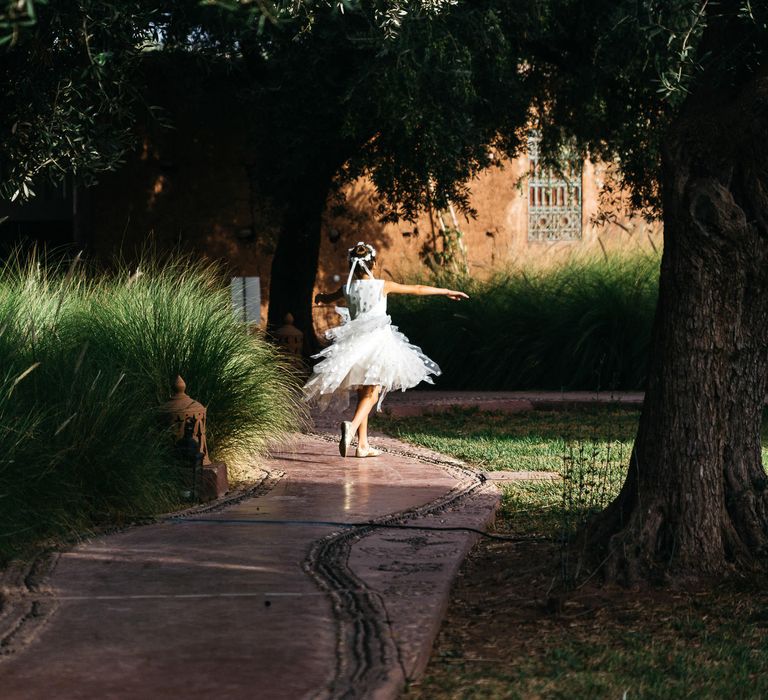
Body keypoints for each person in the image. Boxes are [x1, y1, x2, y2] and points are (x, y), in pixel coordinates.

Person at [304, 241, 468, 458]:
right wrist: (447, 291)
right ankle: (351, 428)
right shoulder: (382, 285)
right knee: (373, 393)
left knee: (365, 393)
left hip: (354, 346)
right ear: (374, 263)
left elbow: (329, 297)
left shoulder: (348, 288)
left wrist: (320, 297)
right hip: (378, 343)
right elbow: (416, 289)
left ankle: (362, 445)